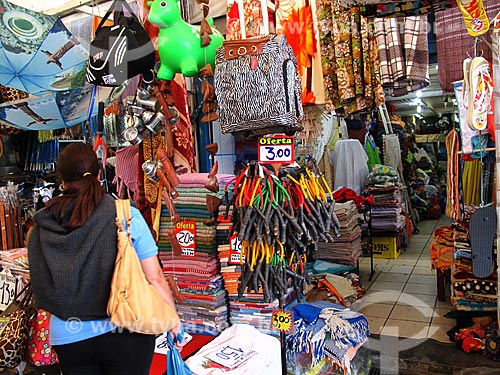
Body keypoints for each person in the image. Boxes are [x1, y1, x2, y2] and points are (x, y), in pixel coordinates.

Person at [28, 142, 183, 375]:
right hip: (127, 328)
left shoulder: (40, 228)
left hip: (69, 336)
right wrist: (172, 319)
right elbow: (155, 277)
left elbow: (41, 288)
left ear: (62, 180)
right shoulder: (124, 215)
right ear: (99, 173)